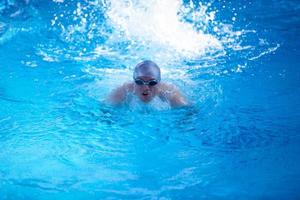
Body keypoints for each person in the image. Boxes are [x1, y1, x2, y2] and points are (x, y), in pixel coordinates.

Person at [107, 60, 188, 107]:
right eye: (139, 82)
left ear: (159, 83)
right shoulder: (122, 92)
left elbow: (189, 113)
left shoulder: (170, 93)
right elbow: (104, 113)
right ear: (134, 82)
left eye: (152, 83)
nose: (145, 87)